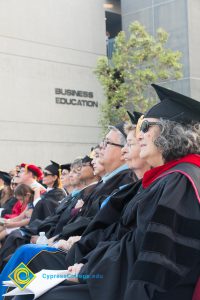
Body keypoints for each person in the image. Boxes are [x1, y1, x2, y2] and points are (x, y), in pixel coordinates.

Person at [14, 84, 199, 300]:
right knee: (28, 287)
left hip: (134, 288)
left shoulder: (180, 181)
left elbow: (156, 263)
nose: (140, 136)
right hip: (117, 275)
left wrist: (91, 271)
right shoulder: (170, 178)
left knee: (43, 294)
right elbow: (134, 243)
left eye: (147, 127)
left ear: (172, 131)